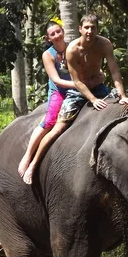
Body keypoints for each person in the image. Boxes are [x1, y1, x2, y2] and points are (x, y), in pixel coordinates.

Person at [22, 14, 128, 184]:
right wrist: (92, 99)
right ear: (80, 29)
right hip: (77, 91)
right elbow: (76, 81)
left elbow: (114, 71)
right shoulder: (72, 49)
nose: (90, 31)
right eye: (86, 27)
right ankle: (33, 164)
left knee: (125, 107)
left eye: (93, 27)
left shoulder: (105, 44)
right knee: (57, 129)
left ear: (97, 29)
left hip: (99, 87)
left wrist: (123, 95)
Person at [18, 19, 103, 178]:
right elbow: (56, 80)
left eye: (58, 31)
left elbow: (91, 67)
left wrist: (99, 77)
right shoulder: (47, 55)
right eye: (52, 34)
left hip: (79, 87)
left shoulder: (74, 47)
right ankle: (28, 156)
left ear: (63, 31)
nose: (57, 35)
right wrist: (79, 84)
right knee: (50, 121)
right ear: (48, 38)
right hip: (60, 90)